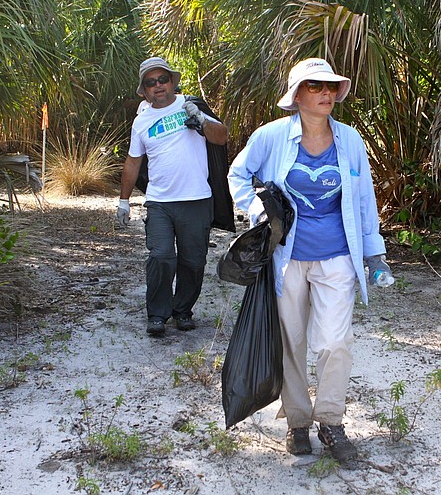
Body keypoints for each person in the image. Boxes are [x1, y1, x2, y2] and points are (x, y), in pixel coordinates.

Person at [227, 58, 393, 462]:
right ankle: (298, 423)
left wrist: (375, 253)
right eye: (316, 86)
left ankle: (332, 422)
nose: (326, 94)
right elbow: (236, 174)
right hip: (286, 258)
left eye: (331, 87)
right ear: (297, 95)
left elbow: (364, 199)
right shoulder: (270, 137)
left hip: (337, 257)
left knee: (335, 342)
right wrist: (257, 210)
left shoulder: (350, 140)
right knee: (291, 341)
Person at [117, 56, 228, 337]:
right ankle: (157, 314)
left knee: (193, 260)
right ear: (144, 89)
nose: (158, 86)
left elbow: (222, 136)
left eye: (162, 79)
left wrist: (201, 121)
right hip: (160, 201)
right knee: (161, 256)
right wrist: (123, 200)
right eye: (151, 82)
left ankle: (182, 311)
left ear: (171, 81)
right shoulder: (141, 122)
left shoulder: (190, 106)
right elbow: (133, 162)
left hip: (197, 199)